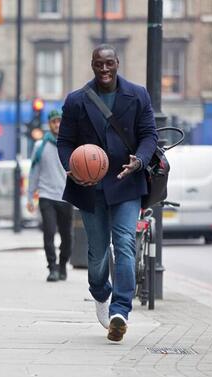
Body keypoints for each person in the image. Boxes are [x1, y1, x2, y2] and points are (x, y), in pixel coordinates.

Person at [57, 44, 158, 342]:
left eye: (109, 63)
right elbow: (64, 142)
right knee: (98, 252)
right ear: (92, 65)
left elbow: (149, 134)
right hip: (89, 187)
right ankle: (101, 292)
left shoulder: (138, 95)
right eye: (99, 64)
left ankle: (121, 310)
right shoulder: (76, 101)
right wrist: (72, 168)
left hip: (126, 181)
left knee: (125, 244)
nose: (104, 69)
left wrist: (139, 159)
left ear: (117, 63)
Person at [27, 109, 72, 283]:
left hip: (66, 196)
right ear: (49, 124)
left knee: (67, 236)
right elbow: (34, 172)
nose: (57, 125)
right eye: (54, 122)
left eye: (60, 121)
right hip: (46, 196)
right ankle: (52, 267)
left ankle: (62, 265)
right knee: (49, 233)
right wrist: (30, 197)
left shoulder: (70, 144)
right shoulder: (41, 146)